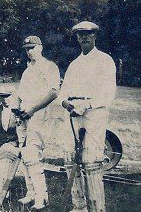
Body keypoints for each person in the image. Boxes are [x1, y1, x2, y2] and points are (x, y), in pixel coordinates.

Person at [59, 21, 116, 212]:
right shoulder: (74, 64)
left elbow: (108, 94)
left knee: (91, 162)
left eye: (88, 34)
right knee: (70, 159)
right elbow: (63, 91)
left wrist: (86, 105)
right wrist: (66, 103)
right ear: (76, 37)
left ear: (95, 36)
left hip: (94, 113)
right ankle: (79, 207)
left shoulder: (105, 60)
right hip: (73, 114)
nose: (84, 37)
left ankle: (98, 208)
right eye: (80, 34)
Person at [16, 35, 60, 210]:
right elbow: (20, 95)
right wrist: (18, 111)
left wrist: (33, 109)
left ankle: (42, 197)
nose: (29, 52)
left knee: (33, 155)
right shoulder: (27, 70)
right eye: (27, 49)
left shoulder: (49, 67)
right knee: (25, 155)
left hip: (40, 115)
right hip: (24, 116)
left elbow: (54, 92)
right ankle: (31, 192)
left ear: (40, 47)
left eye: (32, 48)